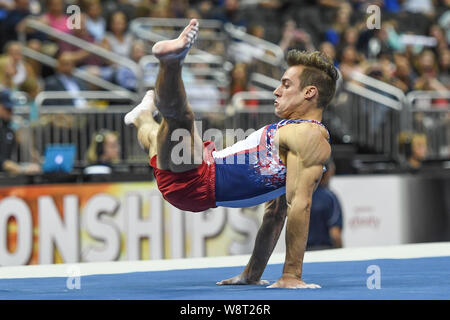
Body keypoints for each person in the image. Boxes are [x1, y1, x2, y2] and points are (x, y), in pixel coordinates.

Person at [124, 19, 337, 289]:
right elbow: (274, 214)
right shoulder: (291, 131)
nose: (276, 90)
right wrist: (252, 274)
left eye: (285, 84)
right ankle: (142, 115)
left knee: (180, 119)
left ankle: (171, 61)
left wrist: (291, 275)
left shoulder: (309, 135)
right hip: (201, 167)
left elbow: (296, 207)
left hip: (198, 180)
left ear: (309, 92)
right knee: (155, 135)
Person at [0, 89, 41, 175]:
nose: (10, 112)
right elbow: (3, 162)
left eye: (11, 109)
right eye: (7, 109)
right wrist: (22, 169)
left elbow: (14, 159)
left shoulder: (9, 130)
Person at [307, 160, 343, 250]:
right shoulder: (330, 198)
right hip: (325, 251)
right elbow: (335, 234)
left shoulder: (303, 196)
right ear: (327, 173)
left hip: (303, 252)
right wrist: (342, 253)